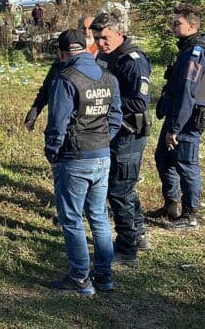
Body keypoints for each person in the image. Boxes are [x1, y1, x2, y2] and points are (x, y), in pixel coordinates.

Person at [45, 29, 122, 295]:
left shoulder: (66, 78)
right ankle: (104, 276)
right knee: (99, 216)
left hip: (74, 157)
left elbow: (57, 123)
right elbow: (116, 117)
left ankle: (79, 277)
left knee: (72, 219)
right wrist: (102, 140)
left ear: (62, 52)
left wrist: (53, 153)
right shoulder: (109, 76)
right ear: (86, 47)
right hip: (102, 155)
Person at [91, 12, 153, 265]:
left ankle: (127, 248)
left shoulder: (133, 60)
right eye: (96, 38)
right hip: (114, 130)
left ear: (119, 33)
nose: (101, 43)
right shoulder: (105, 55)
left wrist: (105, 99)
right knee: (123, 187)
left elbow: (140, 101)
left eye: (105, 37)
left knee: (119, 190)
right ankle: (138, 234)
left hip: (129, 132)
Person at [150, 4, 205, 230]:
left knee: (186, 164)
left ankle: (190, 215)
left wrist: (175, 129)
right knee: (164, 158)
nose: (172, 27)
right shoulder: (186, 48)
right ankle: (170, 206)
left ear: (192, 26)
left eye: (177, 23)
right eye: (173, 22)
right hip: (176, 114)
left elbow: (188, 90)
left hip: (188, 118)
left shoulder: (196, 52)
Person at [23, 15, 98, 132]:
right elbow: (47, 88)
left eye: (90, 29)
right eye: (83, 28)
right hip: (66, 124)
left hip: (94, 125)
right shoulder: (62, 59)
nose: (87, 32)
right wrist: (33, 114)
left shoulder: (102, 57)